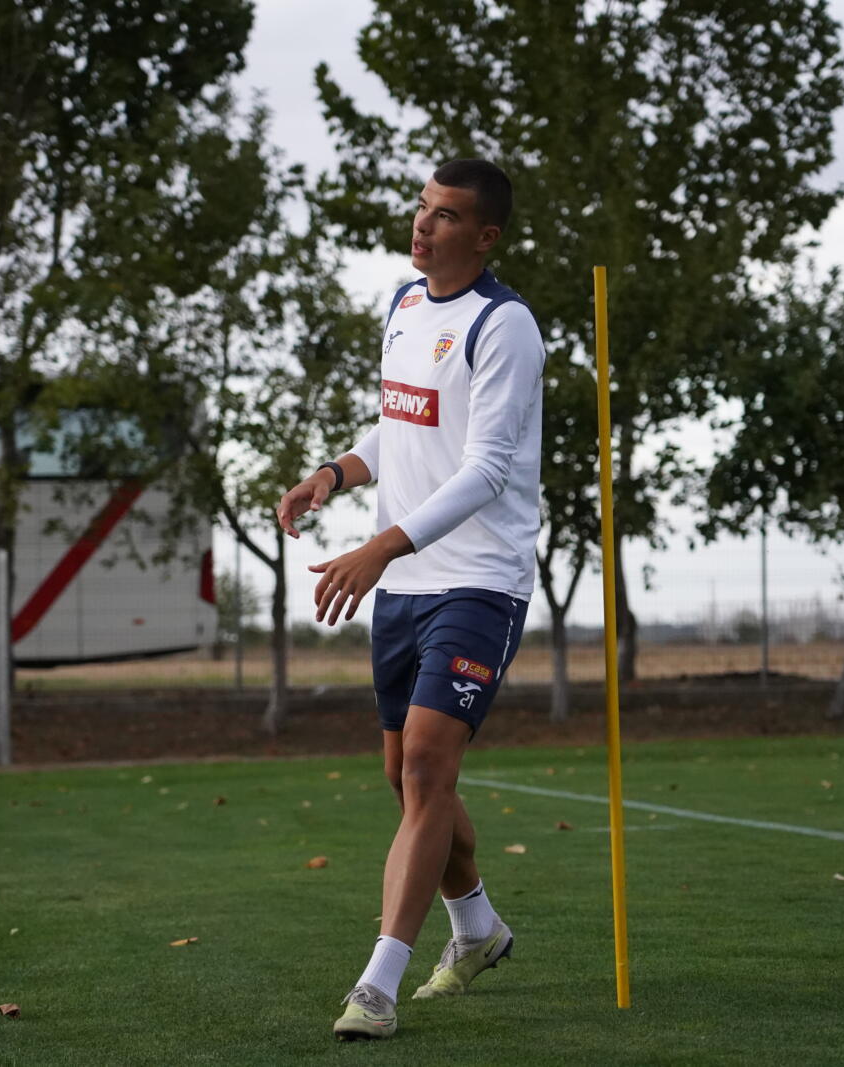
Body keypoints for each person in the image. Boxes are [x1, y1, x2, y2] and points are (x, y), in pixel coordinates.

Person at [274, 158, 545, 1040]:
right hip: (404, 585)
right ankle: (478, 925)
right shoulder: (401, 305)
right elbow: (401, 425)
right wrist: (333, 473)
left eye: (447, 216)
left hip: (480, 580)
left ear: (486, 236)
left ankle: (377, 986)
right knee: (405, 777)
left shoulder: (505, 326)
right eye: (424, 208)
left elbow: (486, 469)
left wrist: (380, 544)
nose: (424, 224)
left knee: (426, 767)